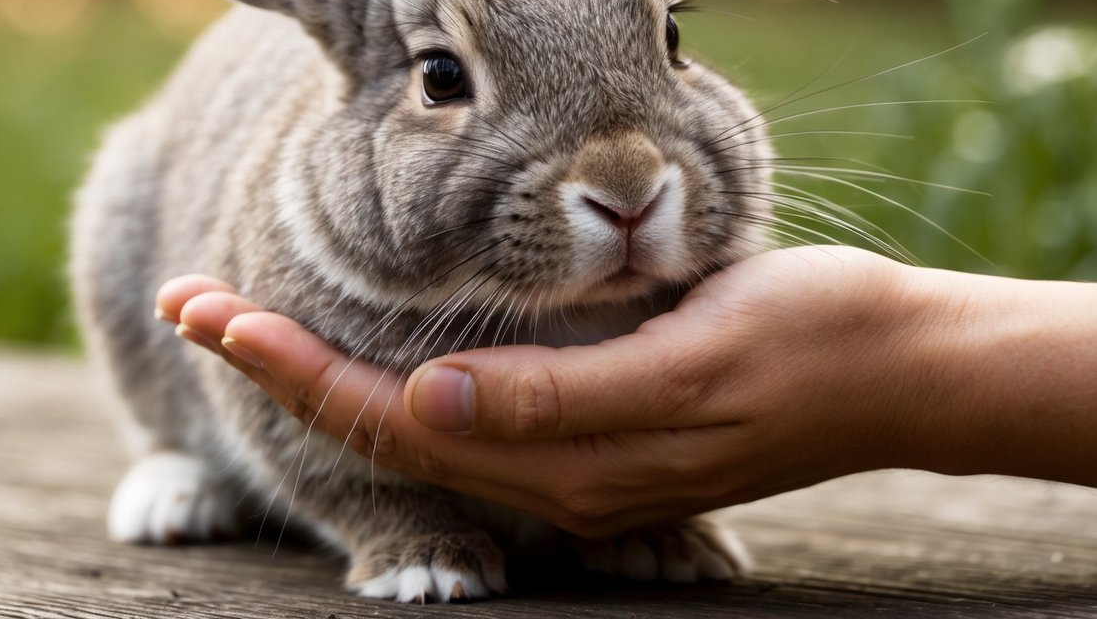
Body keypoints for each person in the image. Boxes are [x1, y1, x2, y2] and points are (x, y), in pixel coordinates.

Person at [155, 245, 1097, 538]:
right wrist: (381, 507)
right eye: (445, 82)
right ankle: (167, 448)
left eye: (669, 44)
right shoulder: (298, 248)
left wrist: (910, 362)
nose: (622, 181)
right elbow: (257, 395)